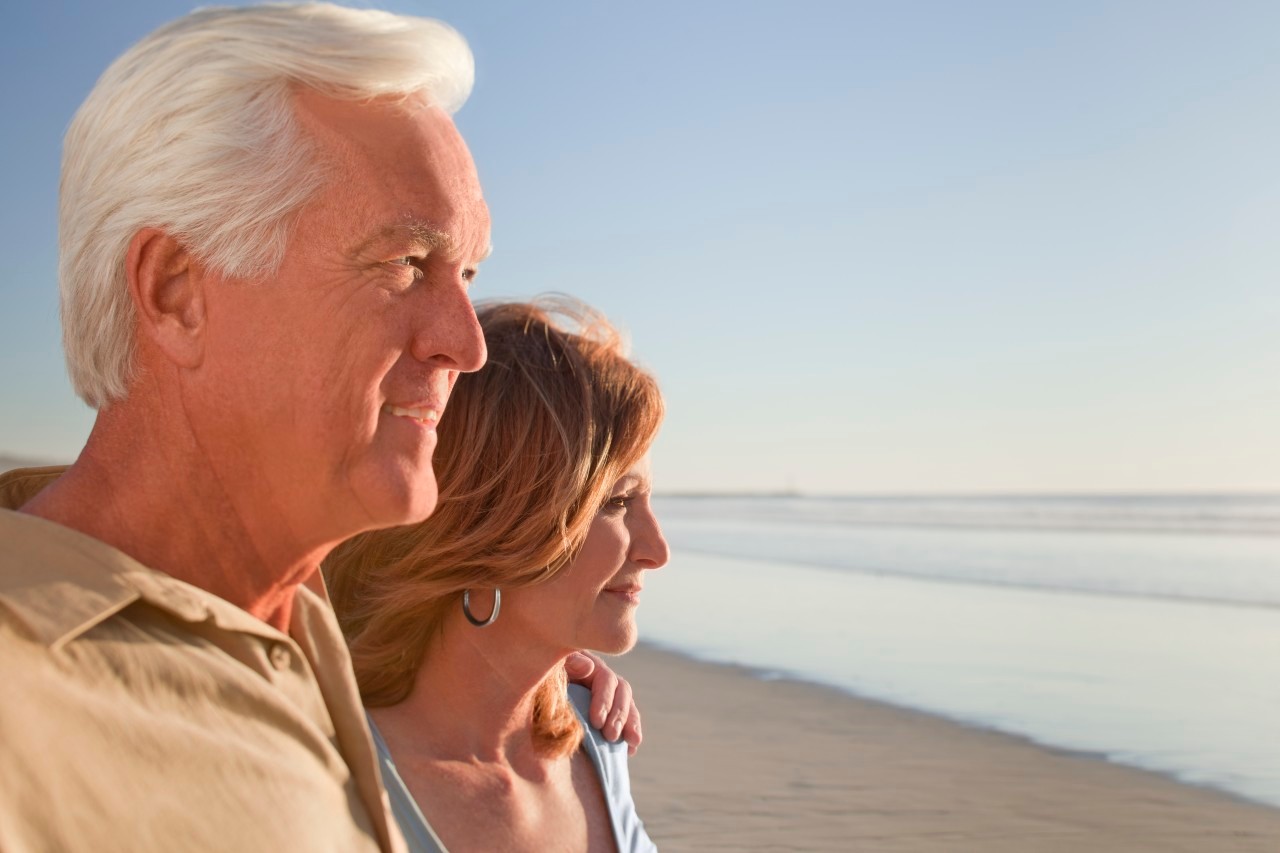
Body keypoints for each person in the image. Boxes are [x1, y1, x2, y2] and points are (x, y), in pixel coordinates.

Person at [0, 6, 635, 851]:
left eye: (467, 272)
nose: (467, 343)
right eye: (406, 263)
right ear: (177, 292)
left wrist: (540, 674)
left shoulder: (296, 624)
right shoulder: (26, 707)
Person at [325, 299, 669, 852]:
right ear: (496, 525)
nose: (657, 550)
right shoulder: (337, 777)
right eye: (616, 501)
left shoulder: (598, 740)